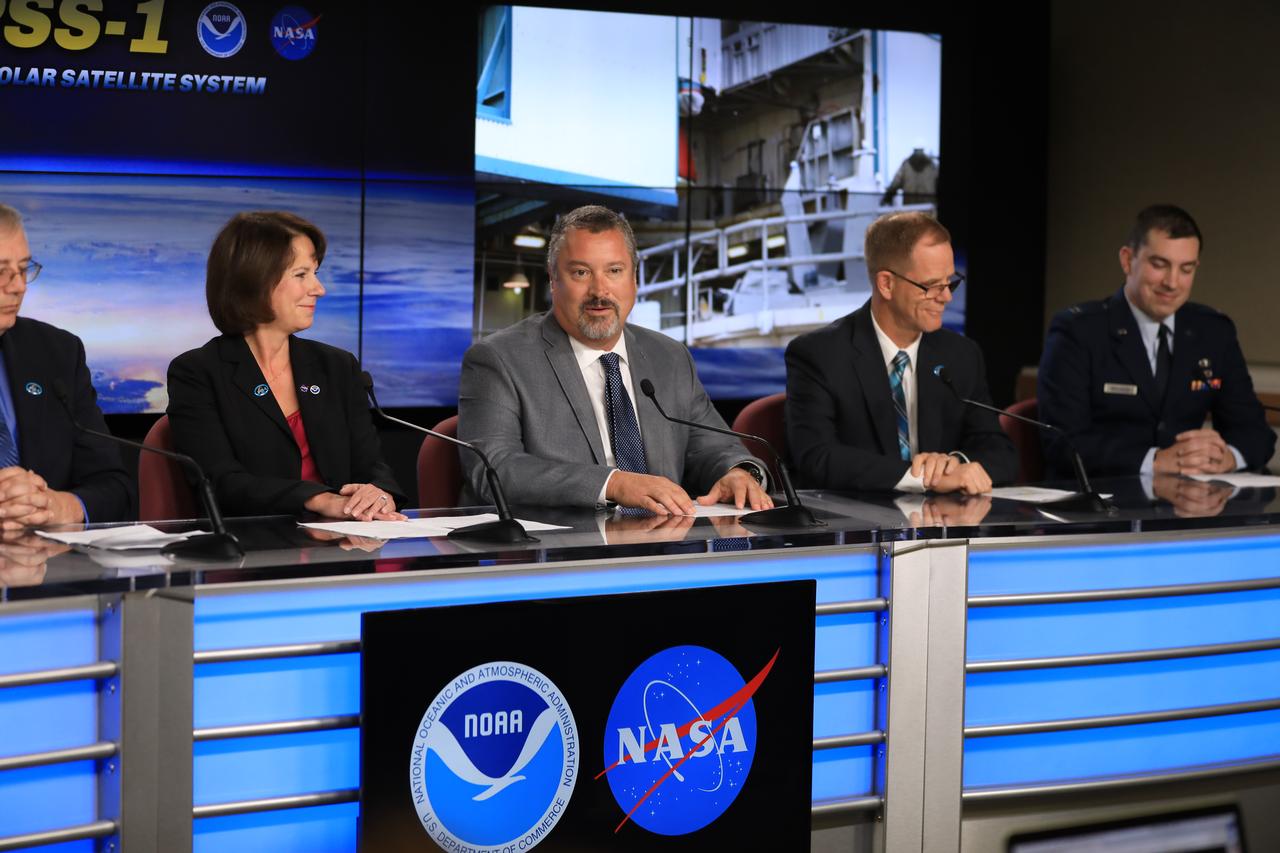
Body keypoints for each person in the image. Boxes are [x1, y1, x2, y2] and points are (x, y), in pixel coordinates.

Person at [457, 204, 771, 514]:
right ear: (553, 280)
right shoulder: (498, 359)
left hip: (665, 549)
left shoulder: (670, 357)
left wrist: (740, 473)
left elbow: (717, 447)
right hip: (557, 555)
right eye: (581, 272)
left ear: (634, 279)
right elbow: (494, 469)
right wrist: (613, 484)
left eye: (614, 271)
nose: (599, 290)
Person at [167, 211, 405, 519]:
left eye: (316, 273)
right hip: (256, 550)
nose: (319, 289)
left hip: (348, 543)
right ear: (256, 279)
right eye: (302, 274)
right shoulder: (198, 372)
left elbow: (372, 466)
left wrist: (378, 492)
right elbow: (220, 482)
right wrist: (317, 499)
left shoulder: (336, 366)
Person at [786, 211, 1016, 493]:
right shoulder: (819, 354)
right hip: (858, 528)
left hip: (946, 527)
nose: (946, 297)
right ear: (886, 284)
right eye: (932, 286)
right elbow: (817, 458)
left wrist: (955, 464)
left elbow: (1001, 453)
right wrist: (923, 478)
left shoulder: (962, 355)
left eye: (951, 282)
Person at [1038, 204, 1275, 480]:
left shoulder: (1213, 332)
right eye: (1159, 265)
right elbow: (1062, 443)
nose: (1172, 283)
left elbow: (1256, 432)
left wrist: (1226, 457)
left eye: (1186, 269)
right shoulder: (1078, 331)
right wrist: (1154, 460)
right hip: (1100, 507)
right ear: (1128, 260)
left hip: (1190, 506)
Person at [0, 203, 133, 527]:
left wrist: (59, 507)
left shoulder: (57, 353)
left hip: (53, 570)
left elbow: (116, 487)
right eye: (1, 271)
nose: (18, 285)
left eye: (23, 268)